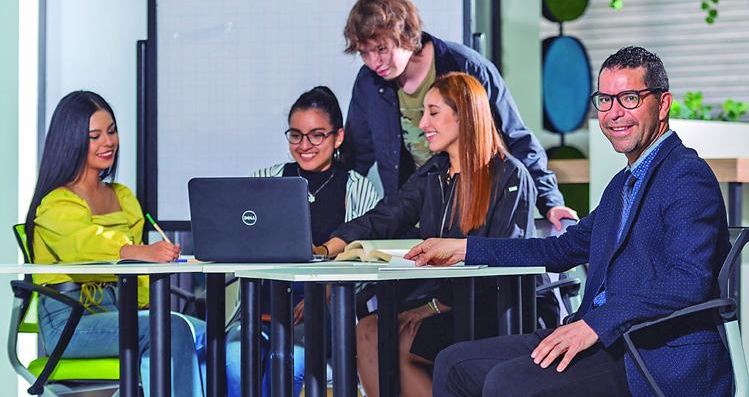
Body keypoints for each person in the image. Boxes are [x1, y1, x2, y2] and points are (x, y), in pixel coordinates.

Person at [406, 47, 732, 396]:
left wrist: (595, 325)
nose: (614, 113)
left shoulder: (685, 175)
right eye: (605, 100)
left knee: (507, 382)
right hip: (609, 338)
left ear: (663, 104)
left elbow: (688, 280)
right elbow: (560, 250)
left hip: (654, 354)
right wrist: (464, 249)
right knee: (453, 363)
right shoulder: (623, 185)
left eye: (630, 98)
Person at [319, 72, 537, 397]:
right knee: (367, 330)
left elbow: (505, 260)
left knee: (404, 342)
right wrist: (327, 247)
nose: (422, 124)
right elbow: (386, 216)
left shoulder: (510, 176)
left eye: (433, 113)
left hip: (495, 309)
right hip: (445, 302)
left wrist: (433, 307)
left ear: (465, 116)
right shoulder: (434, 172)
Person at [25, 90, 234, 396]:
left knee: (212, 334)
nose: (108, 142)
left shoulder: (121, 195)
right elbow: (82, 244)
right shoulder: (56, 203)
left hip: (121, 310)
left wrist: (151, 294)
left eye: (111, 131)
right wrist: (139, 252)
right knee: (171, 329)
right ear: (71, 141)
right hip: (71, 322)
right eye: (95, 136)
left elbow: (139, 273)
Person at [343, 0, 576, 229]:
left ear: (406, 35)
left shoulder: (467, 66)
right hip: (411, 217)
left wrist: (550, 201)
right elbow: (356, 155)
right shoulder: (368, 82)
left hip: (473, 214)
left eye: (381, 49)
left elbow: (515, 138)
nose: (374, 62)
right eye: (364, 53)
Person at [224, 86, 382, 396]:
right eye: (295, 135)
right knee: (235, 359)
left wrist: (321, 293)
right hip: (262, 307)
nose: (304, 145)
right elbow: (241, 242)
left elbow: (363, 262)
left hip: (325, 312)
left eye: (316, 135)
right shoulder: (265, 180)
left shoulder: (358, 189)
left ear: (338, 137)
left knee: (291, 362)